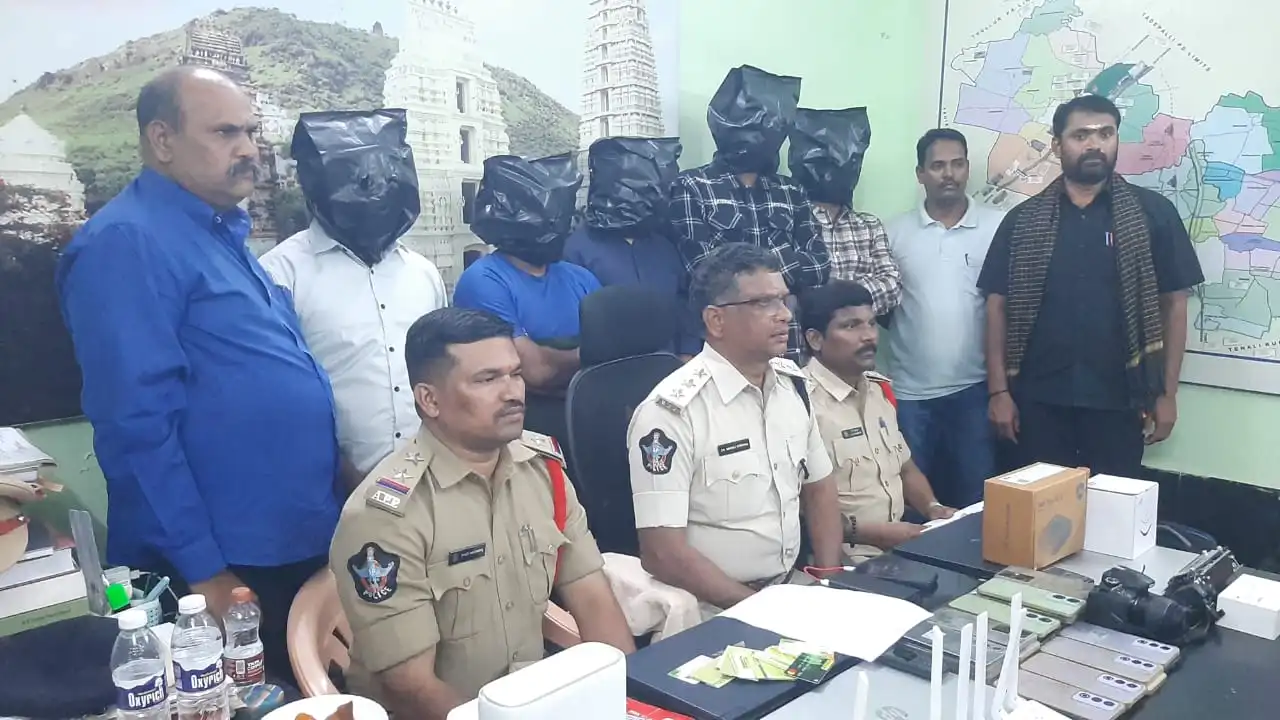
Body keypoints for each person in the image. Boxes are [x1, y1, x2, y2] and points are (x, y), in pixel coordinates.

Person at [56, 67, 339, 681]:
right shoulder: (127, 243)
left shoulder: (221, 233)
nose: (249, 149)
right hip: (218, 567)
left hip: (291, 542)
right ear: (163, 140)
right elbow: (136, 426)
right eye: (225, 132)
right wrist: (203, 570)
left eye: (252, 133)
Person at [330, 307, 634, 717]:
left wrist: (629, 702)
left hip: (533, 701)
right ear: (429, 400)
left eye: (515, 374)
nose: (513, 393)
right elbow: (409, 686)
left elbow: (593, 597)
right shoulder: (387, 516)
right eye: (487, 379)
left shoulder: (542, 471)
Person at [978, 95, 1204, 478]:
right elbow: (997, 307)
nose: (1094, 144)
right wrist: (999, 393)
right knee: (1040, 509)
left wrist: (1167, 394)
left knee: (1110, 509)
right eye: (1080, 135)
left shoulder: (1153, 214)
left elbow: (1174, 305)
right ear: (1057, 145)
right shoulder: (1022, 221)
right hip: (1037, 402)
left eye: (1105, 133)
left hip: (1122, 401)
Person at [626, 243, 843, 617]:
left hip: (793, 588)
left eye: (784, 300)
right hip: (712, 609)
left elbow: (820, 487)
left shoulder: (793, 386)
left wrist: (829, 580)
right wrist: (760, 611)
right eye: (763, 303)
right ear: (716, 320)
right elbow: (663, 553)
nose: (784, 315)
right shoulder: (671, 413)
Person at [261, 110, 447, 485]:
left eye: (385, 178)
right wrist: (345, 476)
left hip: (430, 482)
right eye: (357, 180)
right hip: (328, 487)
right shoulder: (280, 275)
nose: (373, 190)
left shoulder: (423, 273)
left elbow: (442, 370)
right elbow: (274, 396)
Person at [669, 65, 830, 362]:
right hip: (726, 348)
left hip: (789, 345)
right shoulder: (691, 187)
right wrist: (784, 266)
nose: (763, 132)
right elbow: (705, 274)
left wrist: (746, 269)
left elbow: (820, 266)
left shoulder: (791, 190)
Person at [884, 129, 1004, 506]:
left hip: (975, 392)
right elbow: (883, 307)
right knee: (910, 504)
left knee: (976, 502)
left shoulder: (998, 227)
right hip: (908, 395)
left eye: (957, 164)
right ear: (920, 174)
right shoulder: (893, 232)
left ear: (968, 168)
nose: (948, 173)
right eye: (937, 166)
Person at [800, 281, 957, 561]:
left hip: (899, 546)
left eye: (871, 324)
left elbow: (905, 468)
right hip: (842, 557)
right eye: (850, 326)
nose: (868, 336)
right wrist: (864, 535)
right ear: (815, 339)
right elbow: (799, 507)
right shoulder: (800, 403)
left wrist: (933, 508)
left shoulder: (878, 391)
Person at [454, 153, 598, 439]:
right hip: (525, 432)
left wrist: (560, 358)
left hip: (588, 423)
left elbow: (613, 363)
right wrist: (590, 355)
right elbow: (536, 371)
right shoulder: (483, 281)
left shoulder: (581, 278)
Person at [564, 136, 702, 357]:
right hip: (608, 369)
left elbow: (684, 306)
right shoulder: (576, 251)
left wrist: (687, 355)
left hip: (669, 367)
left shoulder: (665, 249)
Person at [789, 107, 902, 316]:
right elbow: (784, 290)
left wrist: (833, 300)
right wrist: (858, 295)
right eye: (823, 161)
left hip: (859, 335)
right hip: (803, 336)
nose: (832, 170)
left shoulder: (869, 226)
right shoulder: (790, 221)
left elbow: (892, 286)